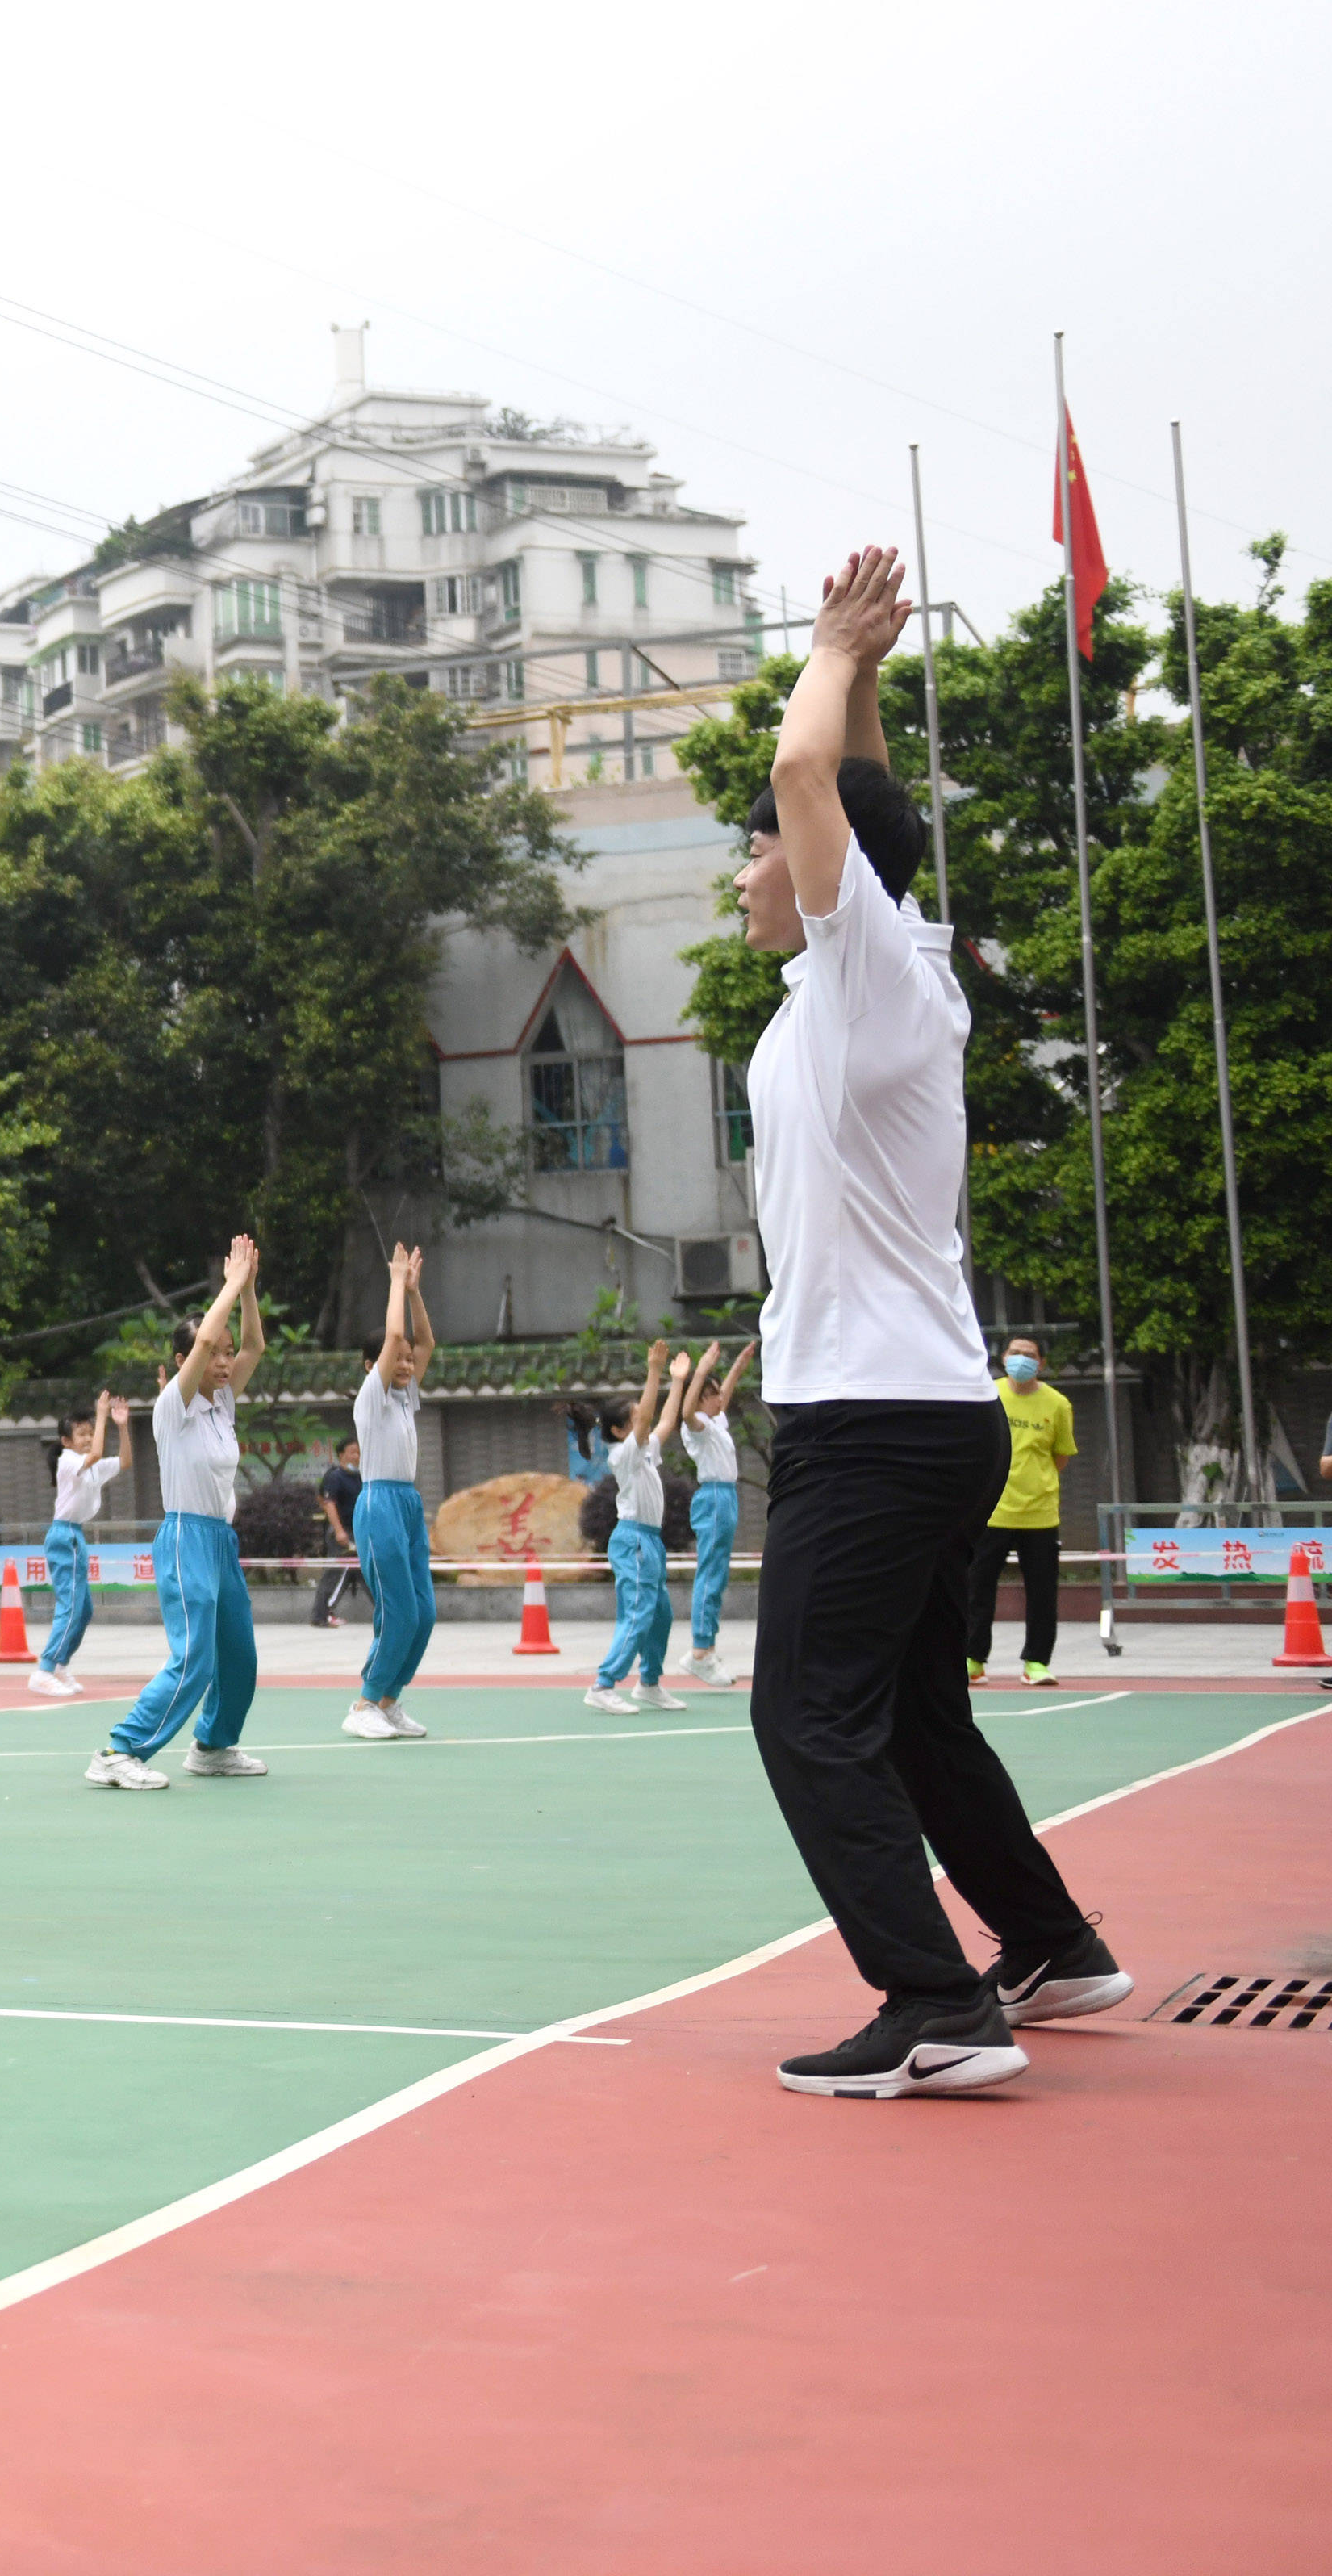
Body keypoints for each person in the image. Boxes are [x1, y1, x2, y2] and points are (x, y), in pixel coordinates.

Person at [734, 544, 1120, 2099]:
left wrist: (827, 653)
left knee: (803, 1720)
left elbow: (808, 774)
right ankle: (1054, 1944)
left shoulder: (867, 969)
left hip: (875, 1424)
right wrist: (873, 667)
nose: (747, 868)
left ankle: (938, 2000)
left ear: (816, 866)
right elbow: (865, 804)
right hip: (913, 1415)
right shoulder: (880, 969)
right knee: (905, 1717)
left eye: (758, 851)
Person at [90, 1236, 267, 1789]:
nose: (222, 1359)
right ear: (184, 1360)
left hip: (219, 1541)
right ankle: (119, 1750)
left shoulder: (222, 1403)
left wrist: (251, 1289)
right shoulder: (177, 1406)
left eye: (223, 1352)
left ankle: (213, 1746)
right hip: (186, 1536)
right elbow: (210, 1333)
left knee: (238, 1655)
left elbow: (255, 1348)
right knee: (194, 1658)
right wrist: (230, 1283)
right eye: (211, 1352)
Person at [340, 1244, 436, 1741]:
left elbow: (425, 1343)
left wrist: (415, 1293)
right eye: (394, 1359)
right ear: (371, 1365)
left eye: (405, 1360)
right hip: (377, 1504)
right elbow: (397, 1333)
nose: (405, 1362)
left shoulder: (404, 1397)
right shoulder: (371, 1397)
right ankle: (362, 1704)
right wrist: (396, 1281)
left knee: (424, 1612)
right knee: (398, 1610)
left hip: (408, 1504)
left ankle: (388, 1700)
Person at [587, 1338, 693, 1715]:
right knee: (637, 1612)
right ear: (619, 1431)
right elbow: (649, 1417)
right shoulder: (624, 1454)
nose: (642, 1422)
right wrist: (654, 1371)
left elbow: (664, 1420)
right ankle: (603, 1684)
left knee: (659, 1614)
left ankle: (649, 1683)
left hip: (649, 1541)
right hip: (631, 1539)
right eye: (634, 1419)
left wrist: (677, 1381)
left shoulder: (646, 1450)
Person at [968, 1335, 1072, 1687]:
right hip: (991, 1512)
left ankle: (1037, 1663)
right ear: (1003, 1357)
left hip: (1040, 1515)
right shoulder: (988, 1394)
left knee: (1042, 1593)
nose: (1022, 1360)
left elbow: (1060, 1457)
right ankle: (972, 1659)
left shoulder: (1057, 1404)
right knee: (976, 1588)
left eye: (1030, 1355)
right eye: (1016, 1354)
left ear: (1041, 1364)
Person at [30, 1394, 128, 1700]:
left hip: (75, 1536)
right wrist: (101, 1415)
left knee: (83, 1610)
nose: (88, 1439)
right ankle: (43, 1671)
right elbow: (97, 1452)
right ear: (66, 1441)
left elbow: (124, 1461)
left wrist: (122, 1428)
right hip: (63, 1537)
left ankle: (59, 1665)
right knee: (71, 1606)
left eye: (90, 1433)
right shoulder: (69, 1461)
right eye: (82, 1434)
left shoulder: (93, 1467)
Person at [677, 1338, 752, 1685]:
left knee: (717, 1572)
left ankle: (705, 1646)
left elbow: (727, 1395)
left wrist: (738, 1366)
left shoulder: (716, 1422)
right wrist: (701, 1370)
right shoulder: (698, 1428)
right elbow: (687, 1410)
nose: (719, 1399)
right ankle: (700, 1651)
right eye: (712, 1394)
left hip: (726, 1496)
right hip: (715, 1497)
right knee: (711, 1571)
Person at [308, 1436, 363, 1629]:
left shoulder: (359, 1477)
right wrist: (339, 1531)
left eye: (358, 1452)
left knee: (363, 1573)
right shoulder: (335, 1476)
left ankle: (387, 1615)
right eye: (352, 1452)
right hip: (343, 1532)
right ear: (342, 1455)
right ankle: (321, 1615)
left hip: (359, 1532)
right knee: (335, 1573)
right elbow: (328, 1503)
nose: (357, 1456)